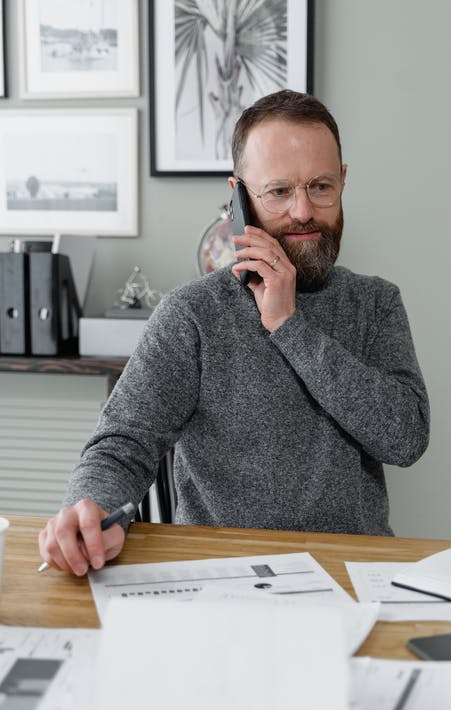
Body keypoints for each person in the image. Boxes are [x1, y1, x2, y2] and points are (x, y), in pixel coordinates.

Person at [39, 89, 430, 576]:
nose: (304, 211)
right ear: (239, 197)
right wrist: (89, 508)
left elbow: (406, 439)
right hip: (223, 579)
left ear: (343, 183)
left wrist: (289, 325)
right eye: (279, 191)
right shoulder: (191, 314)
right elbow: (123, 445)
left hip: (353, 574)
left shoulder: (375, 304)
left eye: (320, 187)